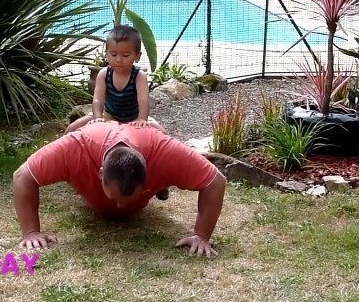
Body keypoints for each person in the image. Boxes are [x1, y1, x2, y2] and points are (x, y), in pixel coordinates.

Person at [12, 121, 227, 257]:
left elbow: (215, 182)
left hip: (146, 139)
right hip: (96, 133)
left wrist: (201, 235)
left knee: (159, 130)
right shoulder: (75, 147)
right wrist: (31, 232)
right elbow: (22, 177)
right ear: (100, 173)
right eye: (115, 198)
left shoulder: (163, 150)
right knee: (72, 129)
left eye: (129, 198)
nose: (121, 206)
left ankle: (161, 185)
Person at [65, 24, 170, 200]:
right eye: (113, 55)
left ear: (137, 56)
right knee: (71, 130)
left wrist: (142, 119)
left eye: (125, 55)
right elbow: (97, 99)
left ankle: (162, 184)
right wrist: (97, 118)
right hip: (109, 115)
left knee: (165, 135)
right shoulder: (103, 74)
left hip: (134, 118)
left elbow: (143, 100)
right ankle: (72, 176)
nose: (119, 60)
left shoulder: (139, 76)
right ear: (107, 54)